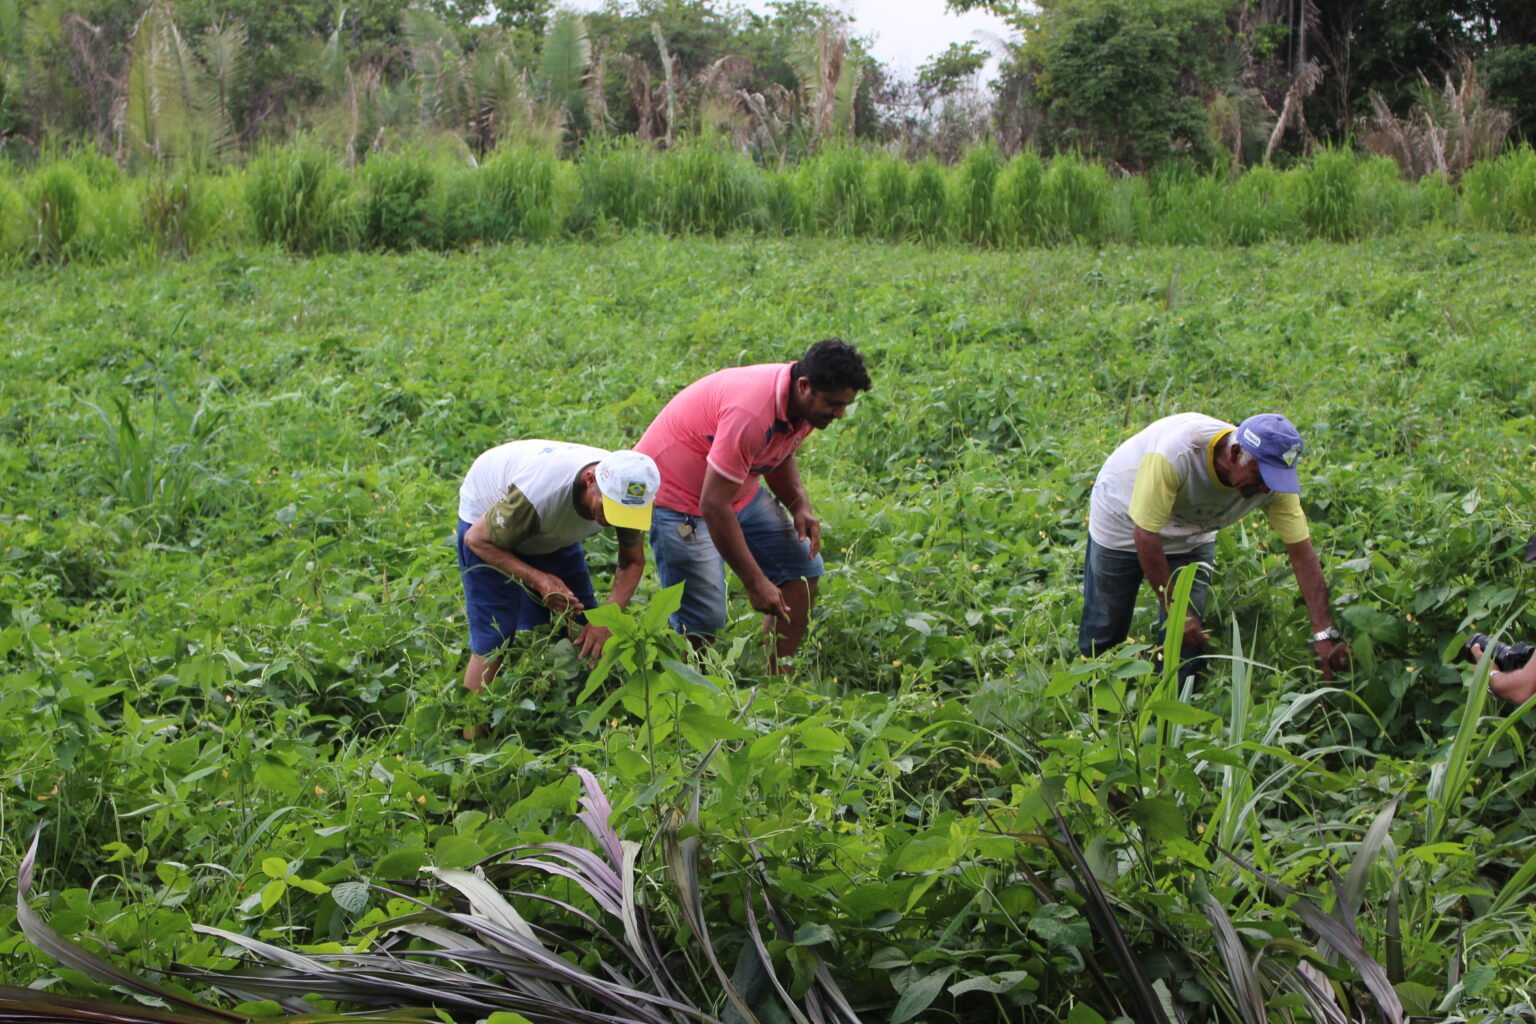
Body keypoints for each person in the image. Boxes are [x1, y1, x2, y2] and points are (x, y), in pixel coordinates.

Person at [635, 338, 872, 671]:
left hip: (733, 487)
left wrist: (798, 504)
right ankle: (690, 690)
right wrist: (755, 582)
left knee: (801, 571)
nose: (840, 414)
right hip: (681, 499)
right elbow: (713, 504)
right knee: (703, 616)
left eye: (845, 405)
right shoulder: (751, 413)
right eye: (834, 404)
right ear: (805, 386)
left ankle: (777, 678)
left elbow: (780, 450)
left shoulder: (802, 403)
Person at [1078, 412, 1352, 681]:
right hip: (1122, 521)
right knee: (1106, 623)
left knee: (1186, 638)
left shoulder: (1273, 486)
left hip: (1192, 535)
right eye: (1261, 478)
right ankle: (1098, 705)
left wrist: (1324, 632)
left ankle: (1173, 710)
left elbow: (1302, 554)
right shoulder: (1177, 453)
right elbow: (1145, 535)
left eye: (1274, 480)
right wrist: (1175, 610)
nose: (1265, 490)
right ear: (1235, 454)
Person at [456, 442, 660, 694]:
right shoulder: (542, 495)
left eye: (623, 513)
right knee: (495, 637)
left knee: (585, 620)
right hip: (487, 525)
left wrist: (607, 620)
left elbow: (632, 561)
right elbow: (476, 539)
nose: (611, 520)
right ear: (590, 481)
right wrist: (539, 580)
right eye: (609, 508)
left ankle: (562, 700)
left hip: (549, 527)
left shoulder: (626, 492)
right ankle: (469, 727)